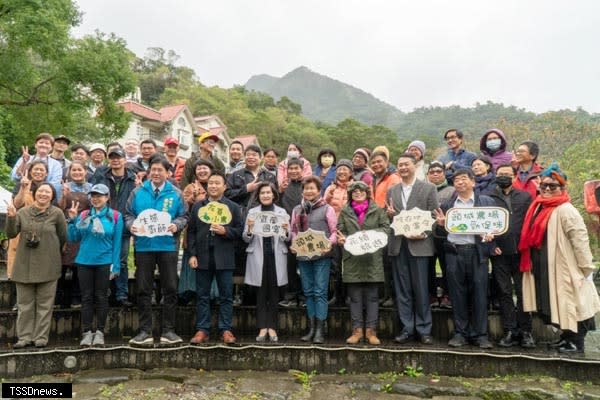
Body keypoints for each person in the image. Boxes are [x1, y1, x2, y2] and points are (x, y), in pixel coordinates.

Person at [520, 164, 600, 353]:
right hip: (545, 263)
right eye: (545, 185)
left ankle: (576, 341)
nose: (547, 189)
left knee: (575, 303)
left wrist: (586, 268)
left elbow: (579, 240)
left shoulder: (566, 209)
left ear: (563, 188)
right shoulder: (537, 206)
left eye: (553, 186)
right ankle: (565, 336)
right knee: (558, 303)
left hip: (566, 266)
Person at [125, 157, 188, 346]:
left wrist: (176, 226)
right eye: (153, 169)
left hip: (168, 247)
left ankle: (169, 330)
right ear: (149, 171)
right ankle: (144, 331)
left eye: (160, 170)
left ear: (168, 173)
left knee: (170, 288)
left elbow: (184, 215)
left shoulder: (175, 193)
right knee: (143, 289)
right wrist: (131, 226)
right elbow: (128, 214)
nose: (156, 173)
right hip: (144, 247)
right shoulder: (138, 192)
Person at [433, 169, 497, 349]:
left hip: (477, 253)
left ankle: (481, 334)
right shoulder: (448, 205)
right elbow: (440, 234)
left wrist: (490, 237)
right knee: (457, 294)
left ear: (473, 182)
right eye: (456, 180)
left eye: (463, 179)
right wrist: (440, 226)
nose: (459, 182)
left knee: (479, 293)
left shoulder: (485, 202)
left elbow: (496, 227)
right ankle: (460, 333)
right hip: (454, 253)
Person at [6, 183, 67, 348]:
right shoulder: (23, 212)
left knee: (45, 305)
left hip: (48, 264)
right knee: (25, 305)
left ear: (52, 196)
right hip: (24, 264)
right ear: (34, 194)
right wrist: (11, 217)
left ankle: (40, 337)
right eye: (41, 191)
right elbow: (11, 233)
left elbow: (63, 237)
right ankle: (24, 337)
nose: (43, 194)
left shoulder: (57, 213)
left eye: (47, 192)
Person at [387, 153, 438, 345]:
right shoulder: (392, 190)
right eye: (399, 165)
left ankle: (424, 329)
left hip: (420, 245)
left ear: (415, 166)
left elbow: (435, 216)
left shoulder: (428, 188)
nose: (402, 168)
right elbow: (391, 219)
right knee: (403, 290)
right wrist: (390, 215)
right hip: (399, 245)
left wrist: (424, 234)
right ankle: (407, 328)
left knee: (421, 289)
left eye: (406, 164)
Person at [188, 171, 243, 344]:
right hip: (202, 257)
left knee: (226, 295)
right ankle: (202, 330)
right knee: (202, 295)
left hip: (224, 257)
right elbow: (191, 232)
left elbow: (240, 231)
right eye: (210, 183)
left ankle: (225, 329)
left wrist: (225, 231)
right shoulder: (198, 206)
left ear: (224, 186)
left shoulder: (233, 207)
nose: (213, 186)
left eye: (217, 183)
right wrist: (192, 254)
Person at [66, 184, 123, 346]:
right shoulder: (84, 215)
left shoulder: (115, 216)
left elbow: (117, 242)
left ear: (107, 197)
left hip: (104, 262)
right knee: (86, 297)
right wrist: (72, 220)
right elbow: (73, 237)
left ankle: (100, 331)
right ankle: (86, 331)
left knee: (101, 297)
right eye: (93, 195)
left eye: (100, 195)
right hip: (84, 261)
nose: (96, 198)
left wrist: (116, 265)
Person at [336, 181, 389, 345]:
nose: (358, 193)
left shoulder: (377, 210)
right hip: (353, 259)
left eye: (361, 191)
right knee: (355, 298)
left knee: (373, 297)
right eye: (354, 192)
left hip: (372, 258)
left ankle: (371, 331)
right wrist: (342, 238)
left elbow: (386, 229)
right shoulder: (345, 212)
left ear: (367, 192)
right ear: (350, 195)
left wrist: (371, 234)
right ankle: (357, 330)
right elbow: (340, 229)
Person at [489, 164, 534, 348]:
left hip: (521, 252)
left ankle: (526, 331)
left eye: (507, 174)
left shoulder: (525, 197)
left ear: (515, 176)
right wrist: (491, 245)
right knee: (505, 292)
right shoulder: (489, 198)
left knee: (524, 293)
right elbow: (484, 224)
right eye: (500, 174)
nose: (504, 177)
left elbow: (531, 222)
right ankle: (510, 330)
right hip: (499, 253)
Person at [291, 176, 337, 343]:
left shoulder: (327, 209)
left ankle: (320, 330)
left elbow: (334, 232)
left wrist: (328, 244)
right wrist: (294, 243)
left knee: (320, 292)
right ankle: (311, 328)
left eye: (312, 188)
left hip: (322, 256)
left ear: (319, 190)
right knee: (308, 292)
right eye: (306, 188)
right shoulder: (297, 210)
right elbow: (293, 231)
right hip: (303, 255)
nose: (309, 191)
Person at [90, 148, 138, 307]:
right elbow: (94, 196)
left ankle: (121, 294)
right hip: (104, 224)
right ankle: (104, 293)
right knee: (103, 259)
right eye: (112, 158)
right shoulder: (101, 175)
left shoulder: (132, 178)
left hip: (123, 225)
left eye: (118, 157)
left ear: (125, 159)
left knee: (122, 261)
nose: (115, 160)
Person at [243, 182, 290, 342]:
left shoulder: (282, 212)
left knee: (274, 293)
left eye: (268, 192)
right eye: (262, 193)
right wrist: (249, 228)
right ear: (258, 196)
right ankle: (263, 327)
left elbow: (288, 238)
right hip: (258, 255)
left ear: (274, 195)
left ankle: (273, 327)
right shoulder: (253, 212)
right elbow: (245, 237)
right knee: (261, 293)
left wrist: (285, 230)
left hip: (276, 255)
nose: (265, 195)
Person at [56, 161, 91, 309]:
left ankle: (76, 297)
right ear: (69, 172)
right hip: (65, 226)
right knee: (62, 263)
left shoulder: (90, 187)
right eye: (74, 170)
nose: (77, 172)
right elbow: (59, 207)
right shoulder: (64, 185)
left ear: (85, 172)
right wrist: (64, 195)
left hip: (83, 227)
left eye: (80, 170)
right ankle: (60, 297)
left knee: (79, 263)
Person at [179, 159, 214, 305]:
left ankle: (212, 294)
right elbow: (182, 208)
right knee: (192, 262)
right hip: (194, 233)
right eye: (199, 169)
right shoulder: (189, 187)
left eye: (205, 168)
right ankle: (190, 293)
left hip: (213, 233)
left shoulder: (216, 186)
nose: (202, 171)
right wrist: (193, 198)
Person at [7, 161, 50, 280]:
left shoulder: (47, 188)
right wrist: (23, 188)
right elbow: (16, 203)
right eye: (36, 169)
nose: (39, 172)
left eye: (42, 170)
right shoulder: (21, 184)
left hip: (40, 228)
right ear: (30, 171)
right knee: (17, 261)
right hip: (20, 227)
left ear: (46, 173)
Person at [426, 161, 455, 309]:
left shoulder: (452, 190)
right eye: (432, 172)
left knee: (446, 266)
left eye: (438, 171)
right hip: (427, 235)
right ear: (427, 175)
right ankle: (431, 295)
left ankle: (447, 295)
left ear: (444, 173)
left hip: (445, 235)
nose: (435, 174)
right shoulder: (423, 190)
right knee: (428, 267)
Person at [278, 158, 305, 308]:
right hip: (287, 231)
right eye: (291, 168)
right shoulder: (283, 186)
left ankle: (304, 296)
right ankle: (291, 296)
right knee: (289, 264)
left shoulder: (307, 185)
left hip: (305, 230)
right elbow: (277, 204)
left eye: (297, 168)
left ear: (302, 169)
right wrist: (280, 192)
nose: (294, 171)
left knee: (305, 265)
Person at [10, 133, 63, 199]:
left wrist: (40, 192)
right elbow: (14, 177)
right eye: (41, 142)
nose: (43, 145)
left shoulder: (56, 164)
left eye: (47, 143)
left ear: (51, 147)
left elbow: (55, 184)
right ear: (35, 145)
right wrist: (24, 162)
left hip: (44, 196)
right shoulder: (24, 158)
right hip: (22, 194)